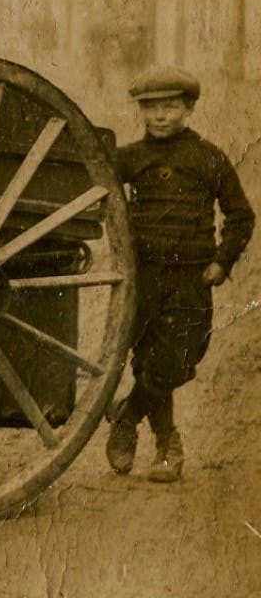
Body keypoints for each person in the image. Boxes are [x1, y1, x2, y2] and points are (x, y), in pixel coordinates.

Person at [107, 67, 253, 482]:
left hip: (192, 277)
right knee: (149, 360)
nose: (160, 116)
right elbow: (96, 188)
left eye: (170, 106)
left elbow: (241, 216)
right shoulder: (131, 158)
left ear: (189, 108)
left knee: (181, 357)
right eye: (150, 107)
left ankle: (126, 415)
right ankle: (166, 447)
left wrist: (222, 262)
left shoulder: (208, 157)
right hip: (144, 277)